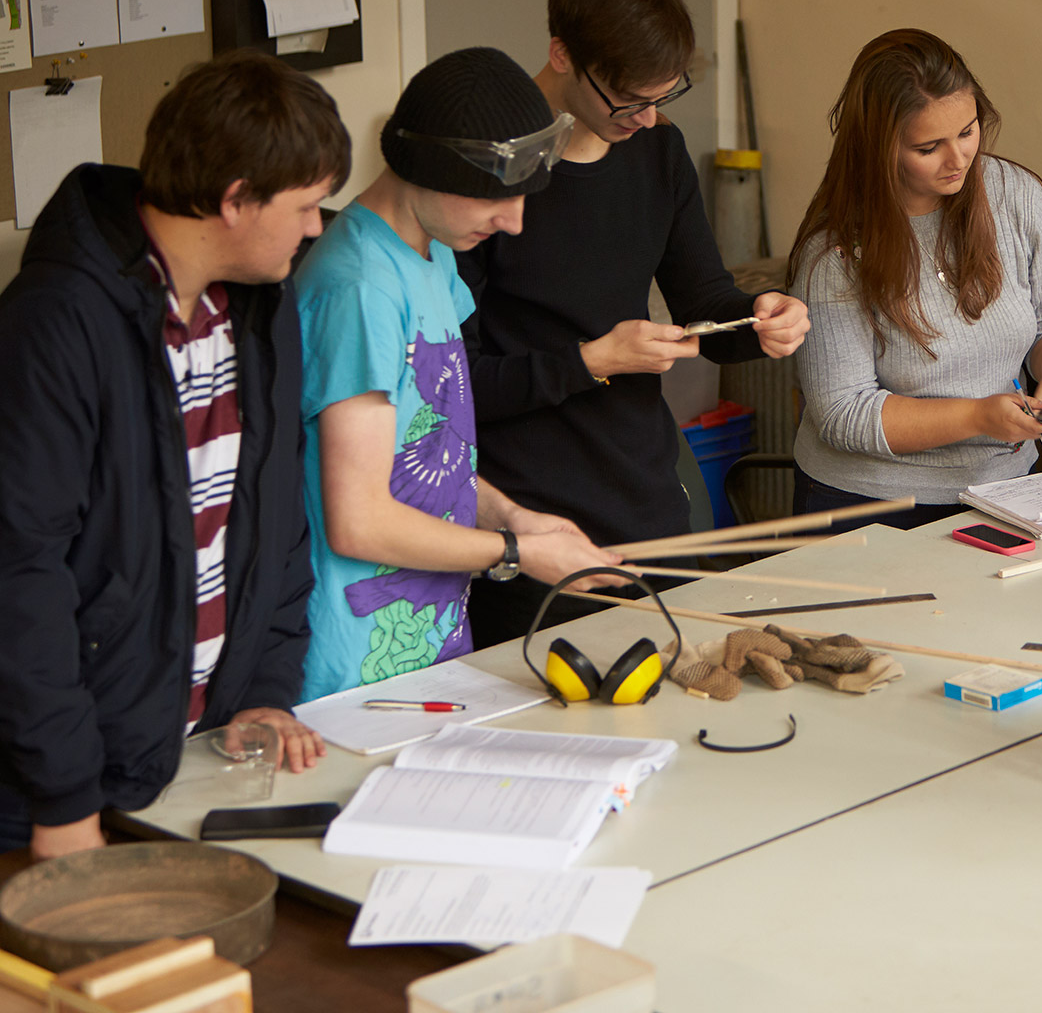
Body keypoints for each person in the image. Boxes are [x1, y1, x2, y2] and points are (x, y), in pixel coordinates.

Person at [0, 50, 347, 859]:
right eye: (303, 207)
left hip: (189, 765)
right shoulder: (54, 324)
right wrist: (63, 797)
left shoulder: (260, 304)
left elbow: (271, 512)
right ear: (233, 201)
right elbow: (20, 572)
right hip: (54, 801)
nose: (315, 228)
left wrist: (263, 693)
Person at [458, 0, 809, 647]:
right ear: (562, 53)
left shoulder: (656, 154)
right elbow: (454, 385)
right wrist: (591, 359)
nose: (647, 119)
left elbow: (703, 300)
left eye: (663, 98)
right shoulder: (485, 178)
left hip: (641, 491)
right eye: (629, 100)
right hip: (527, 509)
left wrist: (761, 319)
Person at [295, 47, 619, 702]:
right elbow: (358, 519)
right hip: (357, 662)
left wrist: (517, 517)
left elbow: (426, 449)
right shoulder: (361, 290)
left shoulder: (433, 252)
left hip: (431, 636)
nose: (514, 221)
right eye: (494, 199)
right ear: (427, 171)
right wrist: (514, 553)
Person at [786, 29, 1042, 525]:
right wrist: (978, 416)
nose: (959, 160)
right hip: (870, 503)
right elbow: (842, 414)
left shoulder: (1016, 195)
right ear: (880, 147)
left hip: (1003, 489)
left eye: (968, 131)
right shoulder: (835, 252)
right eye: (929, 147)